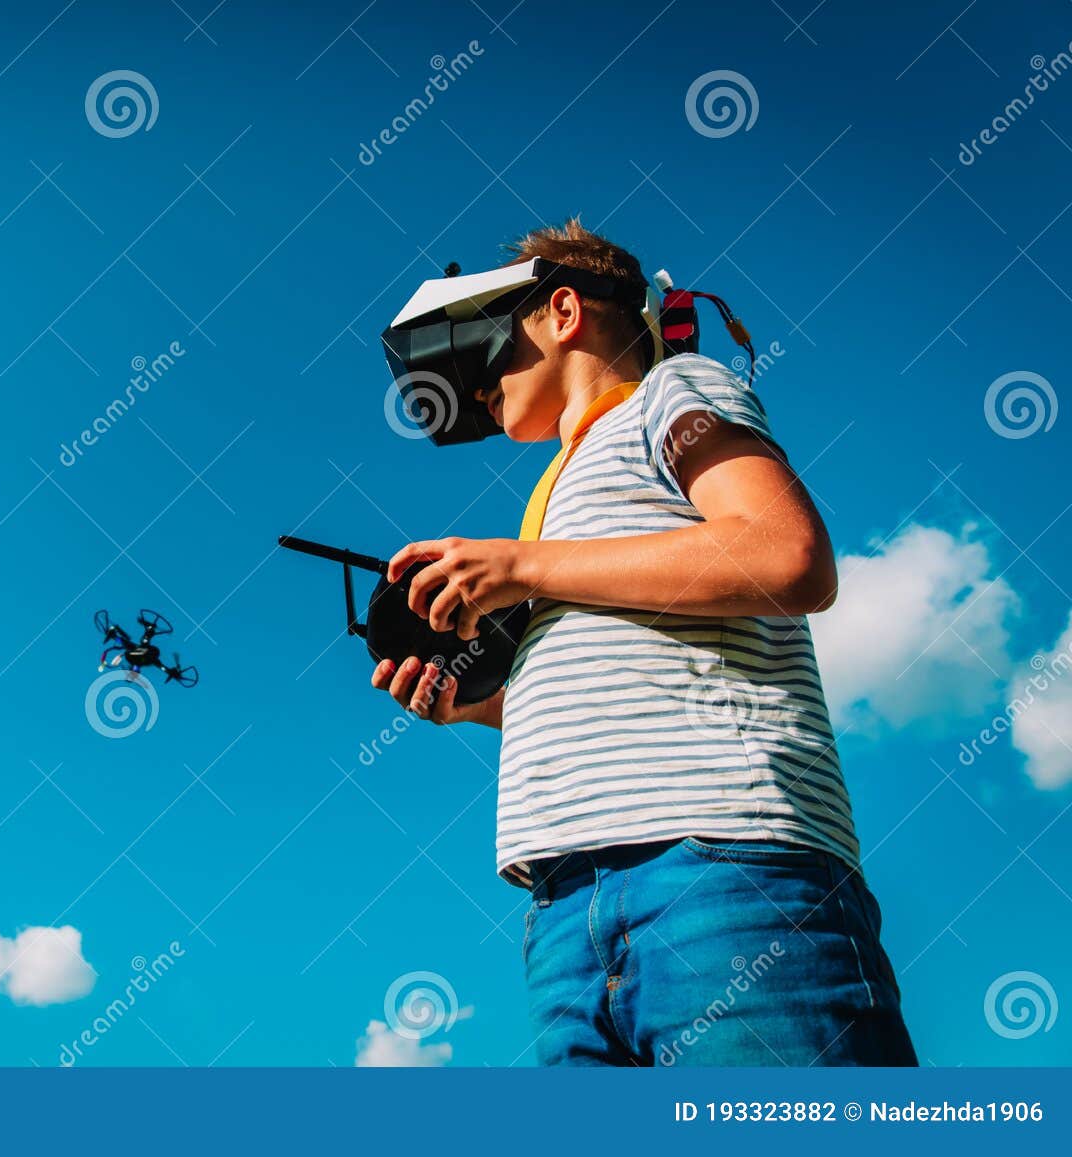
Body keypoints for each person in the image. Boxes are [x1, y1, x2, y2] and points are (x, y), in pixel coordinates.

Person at [372, 219, 917, 1066]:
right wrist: (481, 708)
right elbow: (626, 683)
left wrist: (524, 566)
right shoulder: (553, 502)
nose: (478, 386)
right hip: (563, 916)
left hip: (724, 873)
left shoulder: (673, 393)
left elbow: (787, 555)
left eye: (489, 348)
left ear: (562, 311)